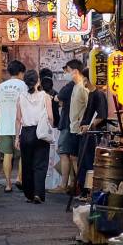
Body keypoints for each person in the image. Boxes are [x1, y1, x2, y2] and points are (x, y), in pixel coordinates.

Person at [15, 69, 53, 203]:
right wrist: (50, 127)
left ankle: (29, 194)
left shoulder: (21, 97)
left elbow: (18, 119)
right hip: (40, 132)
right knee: (40, 164)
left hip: (26, 133)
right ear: (38, 81)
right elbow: (50, 117)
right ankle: (38, 193)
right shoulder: (45, 96)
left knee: (27, 164)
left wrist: (16, 138)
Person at [52, 59, 88, 194]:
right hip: (73, 127)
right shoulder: (76, 86)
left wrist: (83, 123)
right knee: (73, 157)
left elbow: (87, 107)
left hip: (76, 128)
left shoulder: (81, 86)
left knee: (71, 156)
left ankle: (76, 185)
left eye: (67, 70)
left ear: (75, 71)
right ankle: (76, 185)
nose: (66, 73)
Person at [0, 60, 26, 192]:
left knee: (7, 155)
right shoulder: (24, 86)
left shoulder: (1, 87)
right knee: (23, 154)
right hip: (20, 126)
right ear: (20, 72)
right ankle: (19, 178)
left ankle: (8, 184)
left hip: (4, 125)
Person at [77, 71, 109, 191]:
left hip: (94, 136)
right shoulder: (91, 94)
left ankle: (90, 191)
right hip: (87, 135)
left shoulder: (98, 94)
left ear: (86, 79)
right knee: (84, 162)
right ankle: (84, 190)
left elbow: (101, 117)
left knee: (90, 163)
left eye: (83, 78)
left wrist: (88, 127)